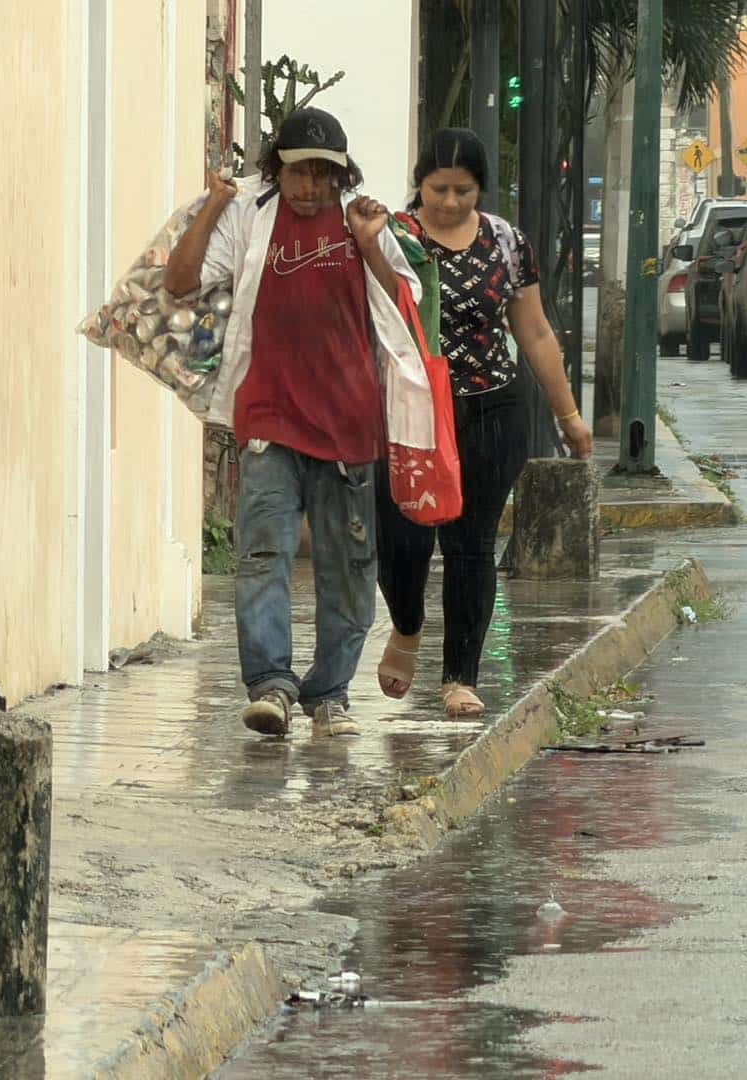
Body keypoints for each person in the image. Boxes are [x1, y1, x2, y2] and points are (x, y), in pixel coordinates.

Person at [164, 107, 429, 739]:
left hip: (348, 428)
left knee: (348, 567)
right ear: (274, 171)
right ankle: (271, 686)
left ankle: (331, 693)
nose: (309, 187)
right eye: (296, 173)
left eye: (322, 175)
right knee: (262, 557)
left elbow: (405, 309)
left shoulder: (361, 223)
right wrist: (213, 204)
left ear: (342, 176)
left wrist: (370, 247)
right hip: (269, 419)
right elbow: (179, 283)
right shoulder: (250, 217)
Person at [375, 128, 594, 718]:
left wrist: (567, 413)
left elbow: (536, 330)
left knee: (471, 544)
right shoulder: (390, 237)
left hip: (492, 405)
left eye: (463, 191)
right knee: (403, 542)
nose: (449, 203)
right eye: (438, 189)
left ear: (481, 190)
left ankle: (460, 677)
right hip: (409, 413)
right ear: (419, 182)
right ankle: (407, 625)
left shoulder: (506, 242)